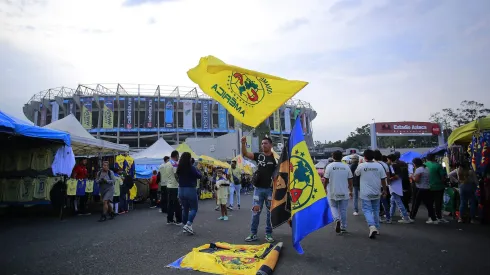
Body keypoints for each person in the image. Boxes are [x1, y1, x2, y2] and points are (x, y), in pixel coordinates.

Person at [242, 136, 276, 243]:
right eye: (262, 143)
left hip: (271, 190)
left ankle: (269, 234)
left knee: (270, 214)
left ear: (271, 145)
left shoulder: (276, 158)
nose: (263, 145)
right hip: (258, 190)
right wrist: (243, 143)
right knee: (255, 212)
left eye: (265, 143)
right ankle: (253, 234)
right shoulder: (259, 156)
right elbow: (246, 154)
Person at [355, 149, 388, 239]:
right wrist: (384, 190)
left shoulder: (361, 166)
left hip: (365, 193)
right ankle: (376, 228)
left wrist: (360, 163)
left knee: (367, 210)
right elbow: (383, 179)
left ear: (364, 157)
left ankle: (371, 226)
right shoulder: (379, 166)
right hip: (376, 191)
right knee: (375, 210)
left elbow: (356, 174)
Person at [324, 150, 353, 233]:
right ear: (342, 157)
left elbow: (326, 180)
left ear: (333, 157)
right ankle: (343, 226)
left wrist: (324, 188)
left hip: (332, 191)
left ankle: (337, 219)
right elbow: (350, 180)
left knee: (333, 207)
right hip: (344, 191)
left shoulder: (329, 166)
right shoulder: (346, 166)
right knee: (343, 210)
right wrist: (351, 190)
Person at [176, 152, 202, 234]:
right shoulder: (192, 168)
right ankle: (188, 224)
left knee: (185, 208)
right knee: (194, 208)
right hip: (190, 189)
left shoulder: (179, 168)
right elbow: (199, 176)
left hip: (181, 190)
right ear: (189, 159)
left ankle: (185, 227)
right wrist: (198, 169)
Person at [386, 154, 413, 224]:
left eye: (388, 159)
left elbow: (396, 176)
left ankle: (406, 217)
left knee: (398, 202)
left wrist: (389, 179)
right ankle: (390, 217)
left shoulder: (392, 166)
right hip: (400, 184)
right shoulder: (402, 164)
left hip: (394, 185)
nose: (387, 161)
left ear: (390, 159)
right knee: (393, 201)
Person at [410, 158, 438, 224]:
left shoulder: (418, 170)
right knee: (429, 204)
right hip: (427, 188)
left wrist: (412, 177)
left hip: (420, 188)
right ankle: (433, 219)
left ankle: (412, 217)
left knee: (416, 204)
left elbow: (417, 180)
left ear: (415, 164)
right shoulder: (426, 169)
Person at [426, 154, 448, 223]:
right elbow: (443, 177)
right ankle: (439, 216)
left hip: (428, 187)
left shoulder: (424, 165)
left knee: (430, 203)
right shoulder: (437, 165)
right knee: (438, 203)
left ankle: (430, 217)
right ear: (433, 158)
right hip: (438, 187)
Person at [162, 151, 182, 225]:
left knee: (170, 203)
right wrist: (180, 182)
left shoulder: (166, 164)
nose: (178, 158)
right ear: (176, 156)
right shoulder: (174, 164)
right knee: (177, 203)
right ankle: (179, 220)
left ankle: (169, 219)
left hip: (168, 185)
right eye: (178, 156)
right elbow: (176, 175)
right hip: (175, 186)